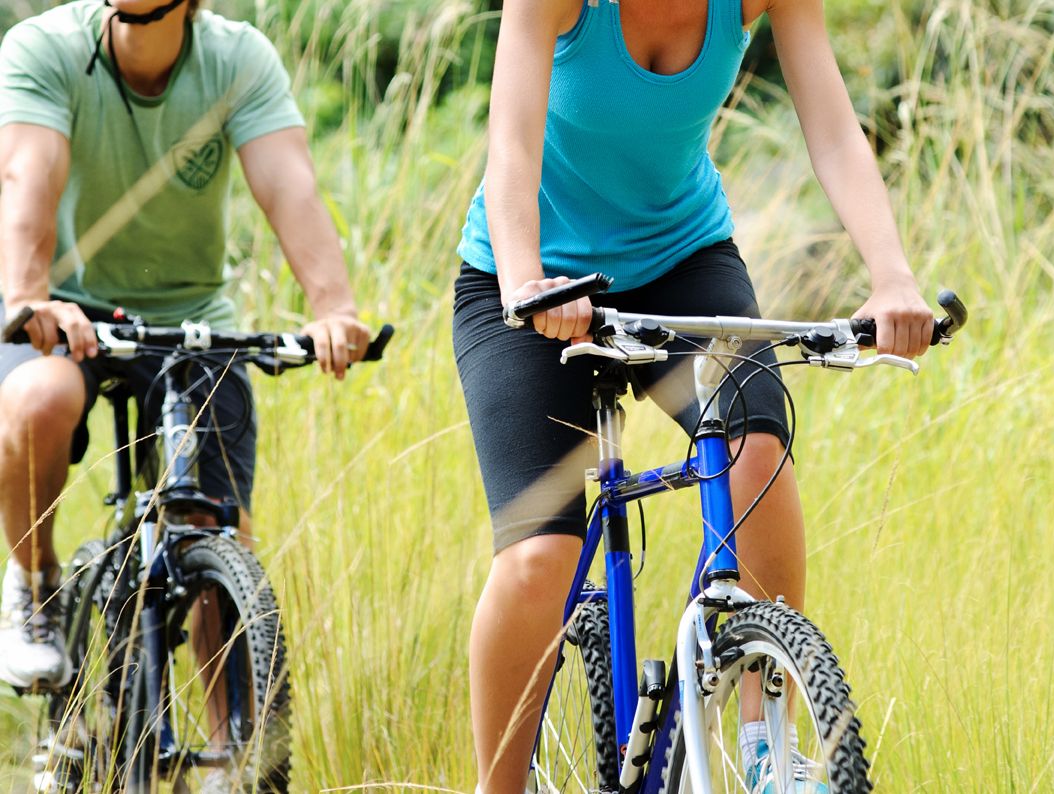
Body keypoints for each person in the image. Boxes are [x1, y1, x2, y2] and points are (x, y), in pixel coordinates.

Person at [452, 0, 935, 791]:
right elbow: (510, 138)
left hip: (680, 259)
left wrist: (891, 277)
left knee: (755, 457)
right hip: (532, 278)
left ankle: (767, 751)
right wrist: (524, 278)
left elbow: (831, 129)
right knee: (540, 557)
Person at [0, 0, 372, 691]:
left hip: (188, 316)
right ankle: (35, 585)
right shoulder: (45, 48)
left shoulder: (236, 59)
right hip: (61, 308)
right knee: (38, 399)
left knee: (212, 526)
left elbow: (289, 185)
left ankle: (238, 746)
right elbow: (29, 174)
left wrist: (334, 312)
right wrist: (30, 297)